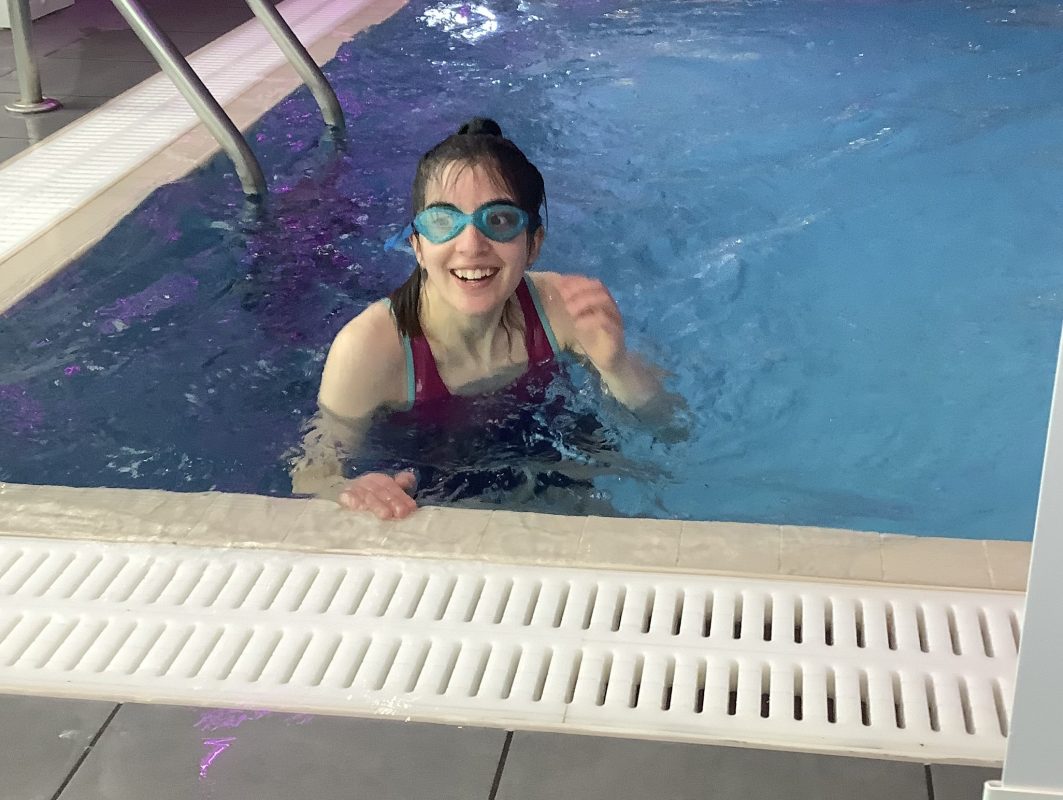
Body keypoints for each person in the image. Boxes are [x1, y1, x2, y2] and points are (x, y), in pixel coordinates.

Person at [292, 117, 666, 519]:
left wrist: (617, 365)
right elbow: (311, 476)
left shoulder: (562, 307)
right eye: (442, 221)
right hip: (425, 482)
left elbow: (666, 425)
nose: (471, 246)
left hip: (541, 453)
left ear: (533, 244)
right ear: (418, 246)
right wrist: (350, 489)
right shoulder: (370, 348)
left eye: (499, 220)